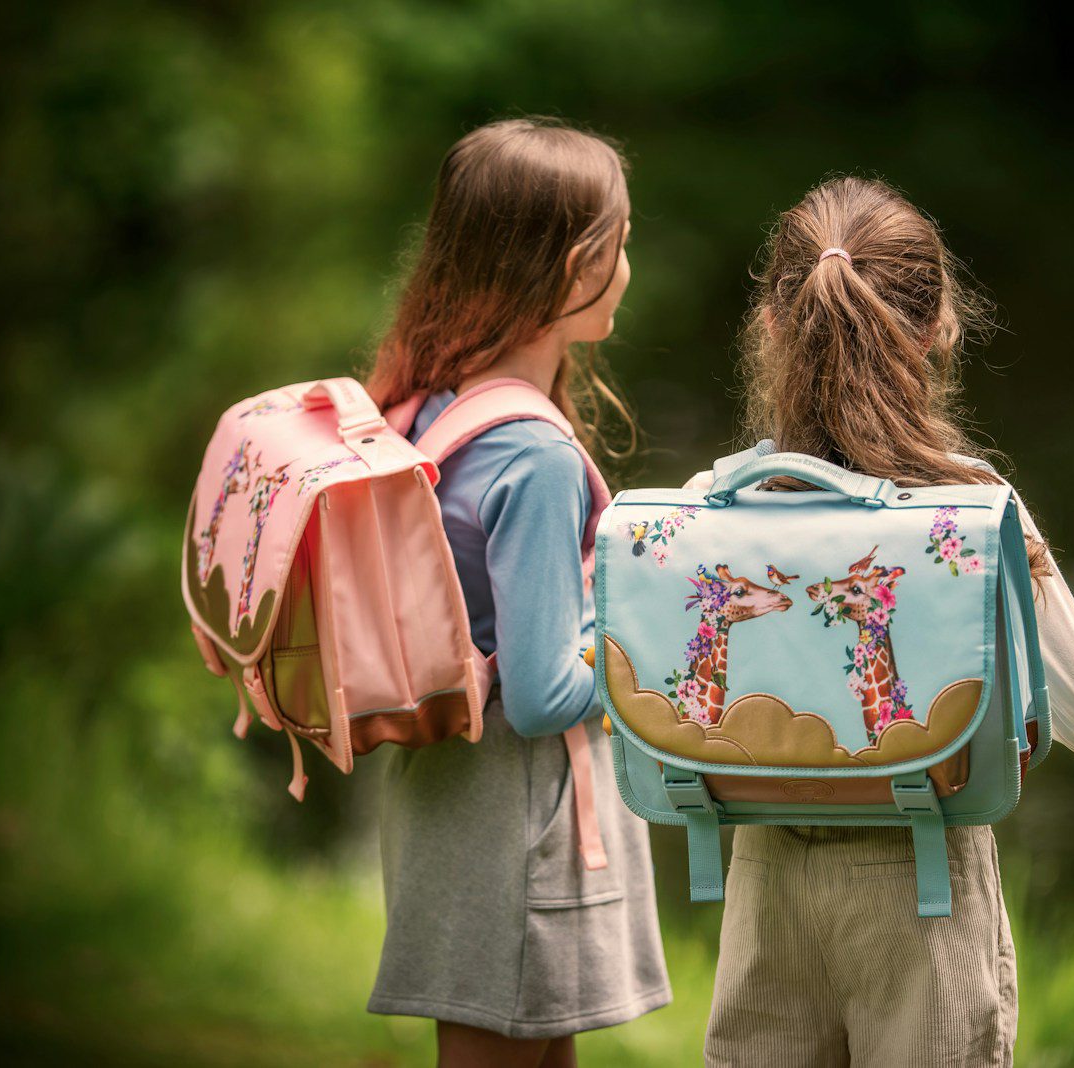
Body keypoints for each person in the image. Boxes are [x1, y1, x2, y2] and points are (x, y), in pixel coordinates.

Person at [693, 176, 1074, 1068]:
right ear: (938, 331)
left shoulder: (714, 505)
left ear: (771, 328)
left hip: (764, 886)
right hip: (922, 895)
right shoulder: (972, 511)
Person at [364, 118, 669, 1068]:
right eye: (622, 244)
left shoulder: (438, 400)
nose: (628, 265)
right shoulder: (531, 454)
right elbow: (542, 695)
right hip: (518, 820)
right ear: (578, 264)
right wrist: (647, 637)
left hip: (453, 802)